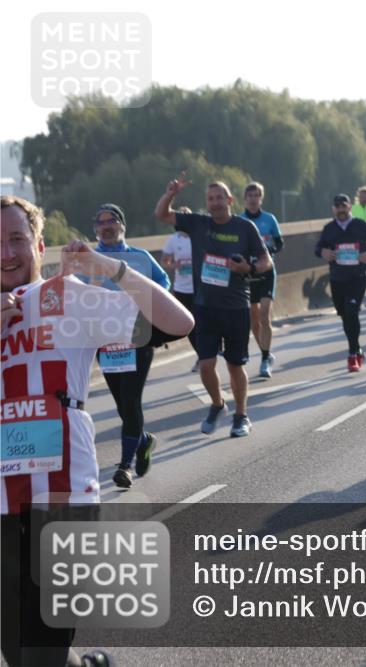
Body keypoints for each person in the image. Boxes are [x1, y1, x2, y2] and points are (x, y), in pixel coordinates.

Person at [1, 195, 192, 667]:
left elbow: (178, 322)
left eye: (16, 240)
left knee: (38, 654)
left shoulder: (65, 297)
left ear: (39, 246)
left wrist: (108, 267)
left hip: (62, 494)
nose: (6, 253)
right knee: (19, 648)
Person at [155, 174, 272, 437]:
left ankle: (241, 416)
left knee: (234, 365)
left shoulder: (245, 228)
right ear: (206, 203)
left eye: (220, 197)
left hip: (235, 307)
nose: (216, 202)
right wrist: (171, 193)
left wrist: (248, 267)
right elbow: (161, 214)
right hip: (204, 306)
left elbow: (267, 261)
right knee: (206, 364)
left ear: (229, 200)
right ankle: (218, 404)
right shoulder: (198, 224)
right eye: (211, 198)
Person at [89, 204, 171, 488]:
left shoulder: (140, 257)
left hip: (137, 338)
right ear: (96, 229)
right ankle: (143, 439)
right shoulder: (90, 260)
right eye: (100, 223)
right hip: (106, 343)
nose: (106, 226)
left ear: (122, 226)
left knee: (132, 399)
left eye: (111, 221)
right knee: (123, 405)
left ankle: (124, 466)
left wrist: (148, 307)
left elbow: (164, 284)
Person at [316, 194, 366, 371]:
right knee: (344, 314)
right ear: (333, 209)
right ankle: (357, 348)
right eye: (337, 207)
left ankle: (353, 354)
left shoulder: (360, 225)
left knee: (352, 312)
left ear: (349, 208)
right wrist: (323, 252)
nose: (341, 210)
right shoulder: (329, 228)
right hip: (337, 278)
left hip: (358, 276)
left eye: (344, 206)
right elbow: (318, 248)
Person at [240, 182, 283, 378]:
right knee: (253, 320)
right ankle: (266, 352)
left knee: (265, 315)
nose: (252, 199)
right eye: (249, 195)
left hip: (266, 271)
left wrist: (268, 251)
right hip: (248, 273)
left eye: (256, 195)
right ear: (244, 199)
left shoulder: (269, 219)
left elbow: (279, 243)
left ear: (261, 198)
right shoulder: (238, 221)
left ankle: (265, 358)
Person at [161, 206, 199, 369]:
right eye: (181, 216)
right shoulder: (173, 240)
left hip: (199, 286)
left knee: (204, 322)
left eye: (187, 216)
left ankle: (210, 350)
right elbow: (164, 261)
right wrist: (174, 265)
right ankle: (202, 355)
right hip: (182, 288)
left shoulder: (199, 236)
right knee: (188, 326)